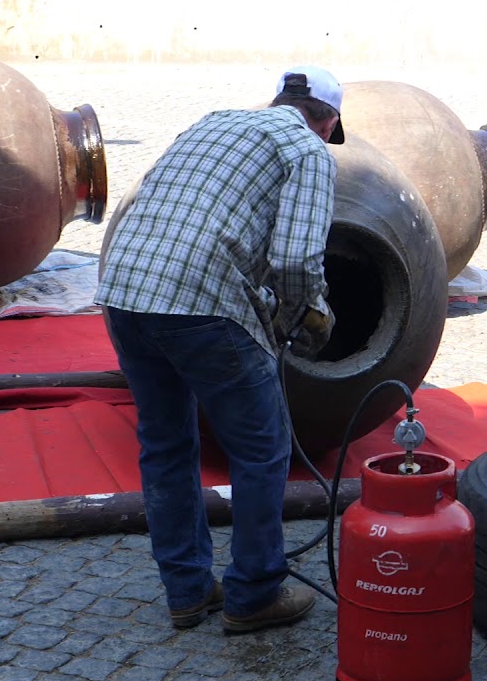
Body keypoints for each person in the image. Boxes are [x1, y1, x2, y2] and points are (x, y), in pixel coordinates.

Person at [94, 65, 346, 634]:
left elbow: (175, 210)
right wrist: (307, 317)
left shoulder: (213, 122)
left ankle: (186, 591)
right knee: (262, 448)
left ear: (278, 99)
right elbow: (295, 262)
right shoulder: (309, 152)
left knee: (165, 443)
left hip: (124, 289)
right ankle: (254, 593)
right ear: (327, 122)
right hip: (199, 303)